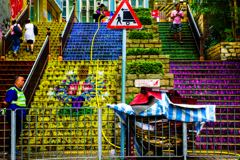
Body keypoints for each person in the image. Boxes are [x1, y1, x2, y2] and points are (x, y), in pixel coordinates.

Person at [4, 76, 26, 156]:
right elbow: (6, 102)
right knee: (14, 132)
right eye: (22, 80)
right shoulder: (13, 90)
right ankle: (11, 151)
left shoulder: (19, 90)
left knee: (16, 132)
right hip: (14, 114)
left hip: (18, 114)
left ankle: (12, 150)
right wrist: (12, 108)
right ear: (16, 81)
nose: (23, 82)